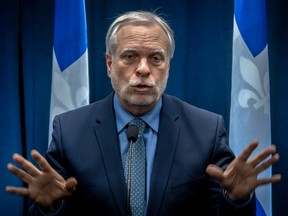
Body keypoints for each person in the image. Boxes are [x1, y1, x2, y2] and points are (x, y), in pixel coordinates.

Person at [6, 10, 281, 216]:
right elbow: (52, 203)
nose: (143, 69)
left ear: (168, 66)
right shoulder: (69, 130)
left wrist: (238, 200)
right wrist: (49, 207)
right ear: (109, 64)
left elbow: (220, 211)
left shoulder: (207, 129)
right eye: (129, 56)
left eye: (155, 58)